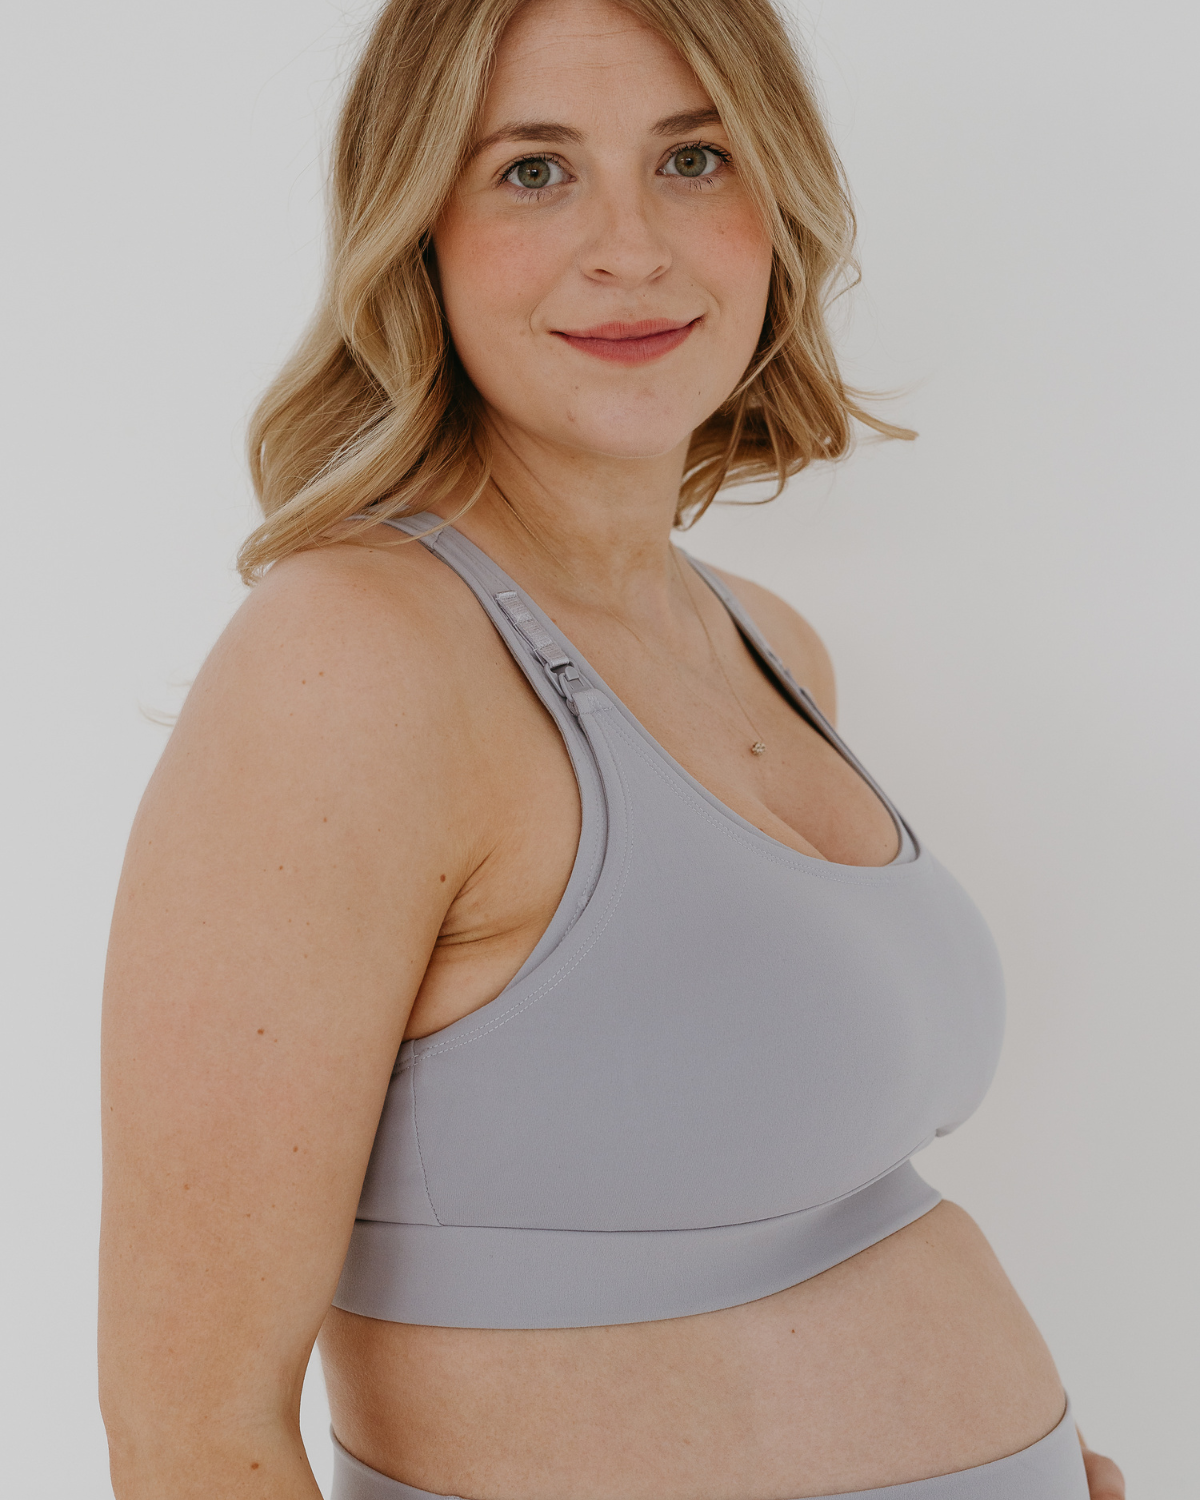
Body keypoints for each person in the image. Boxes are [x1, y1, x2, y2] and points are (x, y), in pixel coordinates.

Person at [98, 1, 1126, 1496]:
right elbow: (189, 1429)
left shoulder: (769, 642)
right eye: (534, 171)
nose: (629, 248)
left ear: (778, 200)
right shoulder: (353, 660)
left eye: (694, 159)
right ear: (418, 229)